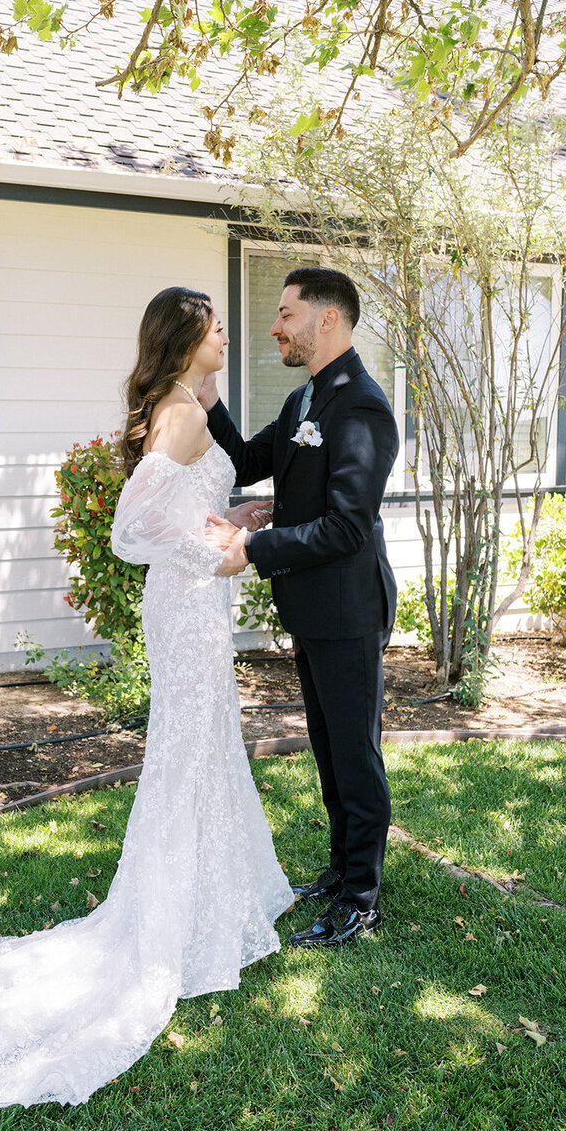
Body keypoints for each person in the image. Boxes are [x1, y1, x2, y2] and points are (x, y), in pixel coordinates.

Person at [0, 287, 293, 1110]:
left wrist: (237, 516)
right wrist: (226, 555)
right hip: (190, 607)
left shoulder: (184, 403)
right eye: (219, 328)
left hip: (191, 604)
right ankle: (175, 924)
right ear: (188, 337)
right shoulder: (184, 415)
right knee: (188, 752)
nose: (231, 335)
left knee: (199, 749)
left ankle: (208, 903)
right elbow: (134, 530)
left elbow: (183, 511)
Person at [201, 267, 399, 949]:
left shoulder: (363, 407)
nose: (276, 326)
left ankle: (363, 897)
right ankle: (342, 869)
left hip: (348, 612)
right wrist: (206, 393)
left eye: (286, 313)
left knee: (356, 754)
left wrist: (253, 548)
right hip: (312, 610)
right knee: (328, 748)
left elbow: (348, 526)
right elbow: (248, 458)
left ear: (328, 321)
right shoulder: (303, 402)